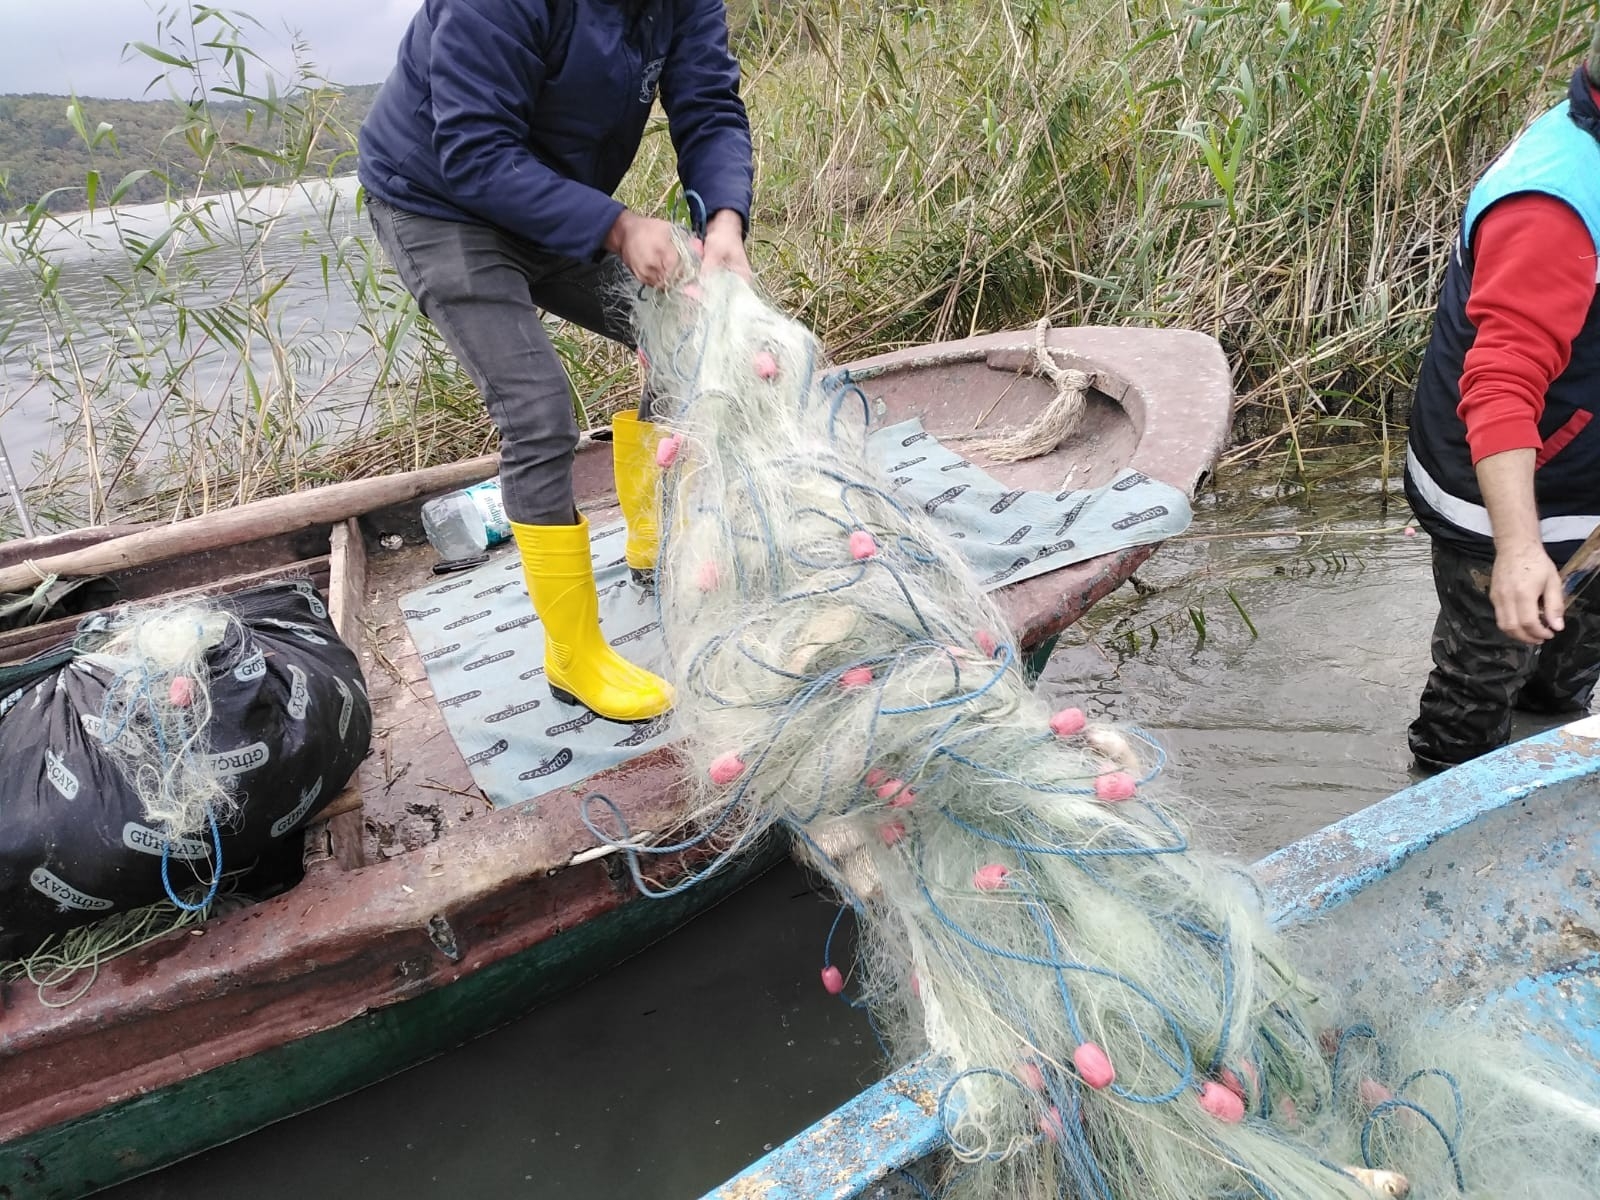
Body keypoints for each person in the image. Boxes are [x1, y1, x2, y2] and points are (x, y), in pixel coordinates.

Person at [357, 0, 753, 723]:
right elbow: (474, 152)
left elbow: (710, 106)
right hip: (439, 200)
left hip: (549, 192)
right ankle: (574, 655)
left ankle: (650, 537)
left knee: (684, 324)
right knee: (536, 412)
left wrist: (723, 218)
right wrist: (616, 225)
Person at [1404, 23, 1600, 773]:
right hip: (1503, 489)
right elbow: (1503, 380)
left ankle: (1550, 733)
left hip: (1584, 472)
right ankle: (1434, 806)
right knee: (1479, 684)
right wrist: (1518, 549)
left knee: (1566, 675)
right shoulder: (1551, 203)